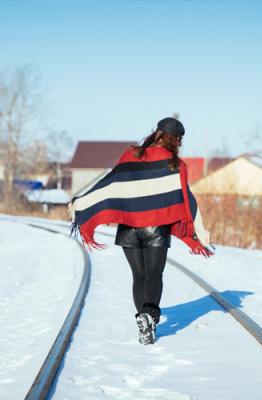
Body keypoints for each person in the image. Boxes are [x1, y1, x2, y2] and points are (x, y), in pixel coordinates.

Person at [68, 117, 213, 345]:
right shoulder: (174, 164)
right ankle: (149, 316)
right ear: (174, 140)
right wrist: (200, 231)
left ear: (156, 133)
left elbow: (111, 182)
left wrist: (82, 202)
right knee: (154, 275)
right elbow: (187, 199)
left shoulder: (131, 155)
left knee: (138, 276)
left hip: (128, 230)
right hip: (156, 228)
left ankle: (144, 324)